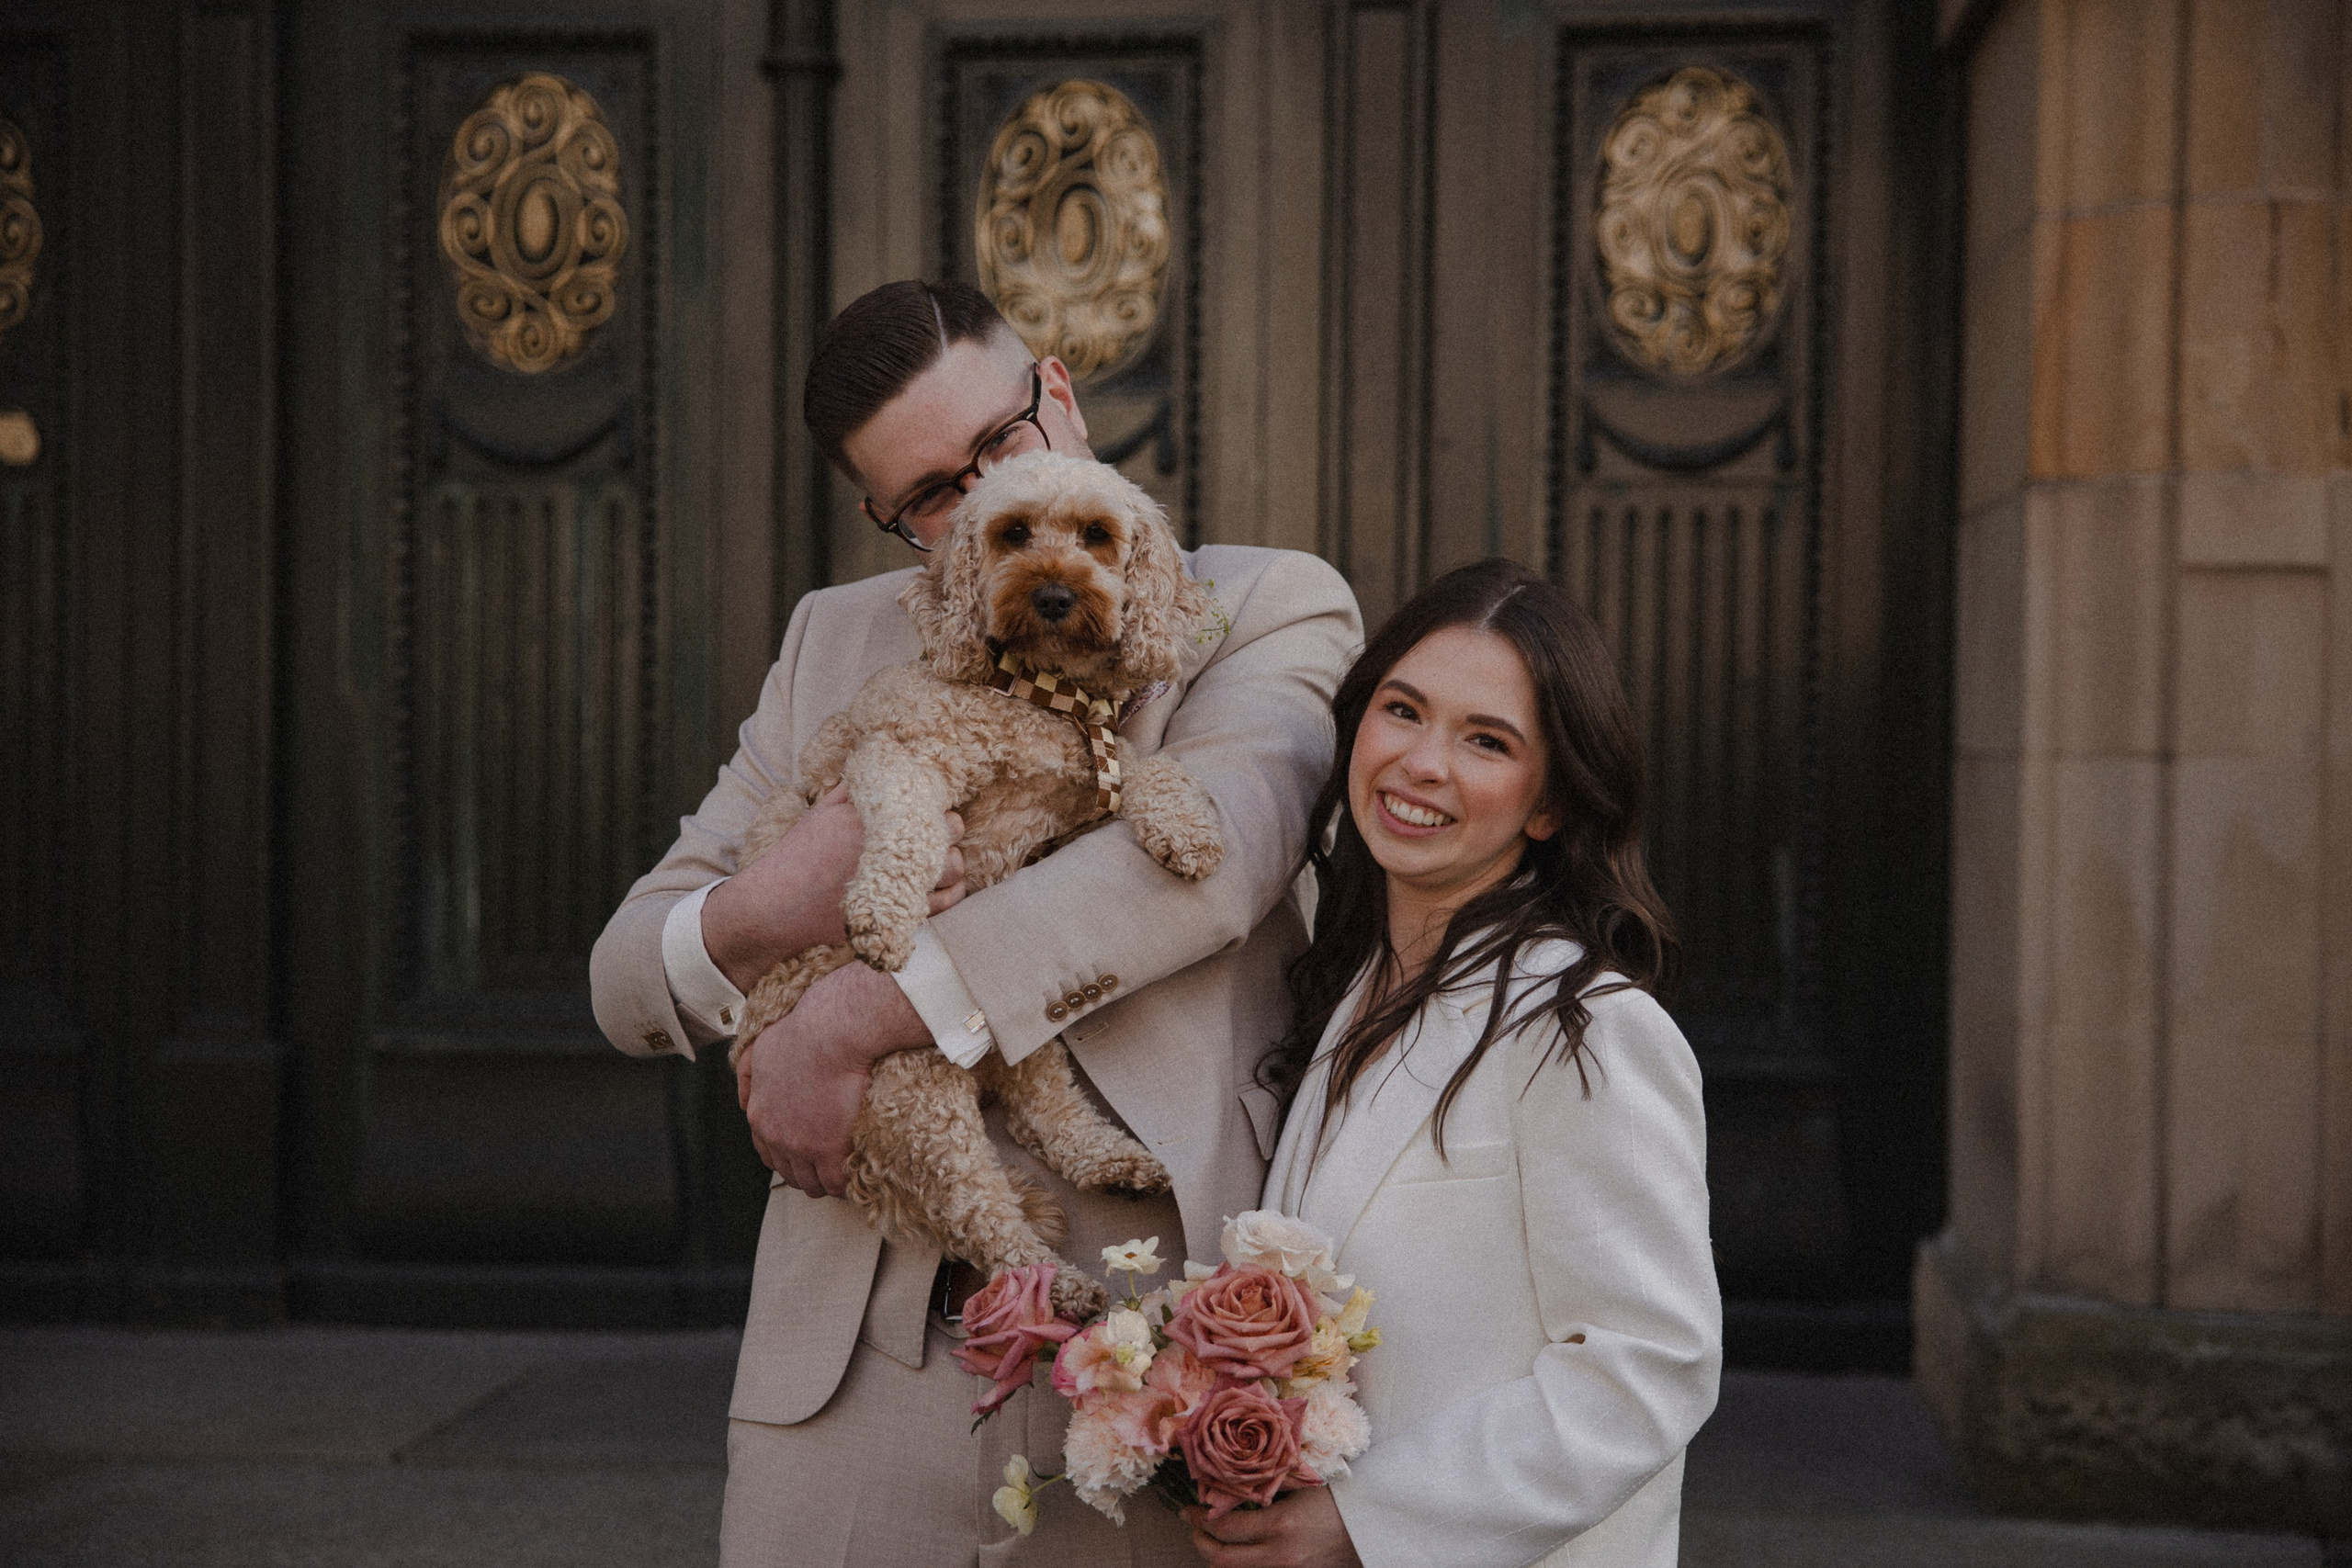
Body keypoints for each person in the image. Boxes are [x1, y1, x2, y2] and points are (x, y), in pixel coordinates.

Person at [589, 279, 1360, 1566]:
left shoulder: (1263, 605)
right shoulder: (829, 642)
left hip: (1149, 1338)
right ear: (887, 518)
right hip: (850, 1367)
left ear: (1057, 393)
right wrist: (776, 899)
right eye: (935, 494)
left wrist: (848, 1020)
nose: (985, 491)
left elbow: (1211, 865)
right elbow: (627, 974)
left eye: (1001, 440)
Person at [1186, 559, 1720, 1568]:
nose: (1422, 762)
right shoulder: (1343, 988)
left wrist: (1366, 1524)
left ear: (1548, 805)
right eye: (1403, 710)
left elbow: (1650, 1366)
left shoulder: (1584, 1024)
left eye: (1486, 740)